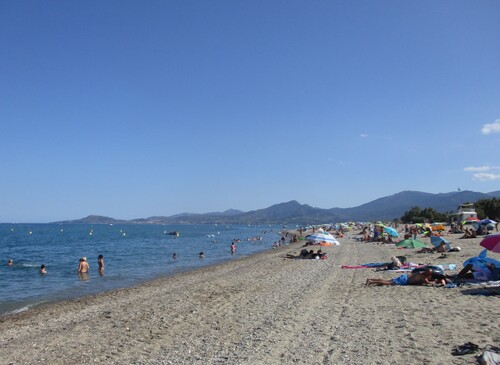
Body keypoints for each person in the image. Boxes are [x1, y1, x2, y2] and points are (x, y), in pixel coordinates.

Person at [366, 269, 437, 286]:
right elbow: (427, 283)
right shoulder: (422, 277)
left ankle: (370, 279)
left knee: (387, 280)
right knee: (388, 283)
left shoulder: (420, 273)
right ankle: (371, 282)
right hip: (405, 280)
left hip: (405, 276)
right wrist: (434, 282)